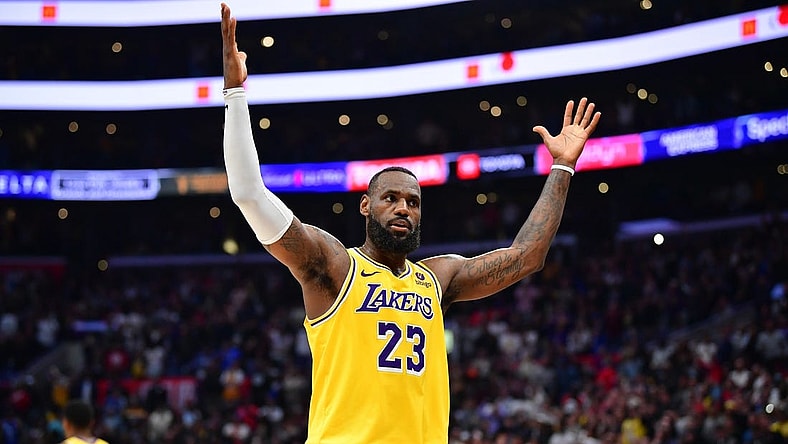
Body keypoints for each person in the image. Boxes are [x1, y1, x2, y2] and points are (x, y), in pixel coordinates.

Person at [220, 3, 601, 442]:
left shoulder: (437, 279)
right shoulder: (335, 268)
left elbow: (526, 257)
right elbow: (249, 193)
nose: (404, 208)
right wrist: (235, 93)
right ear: (365, 207)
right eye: (391, 199)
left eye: (413, 202)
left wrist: (562, 169)